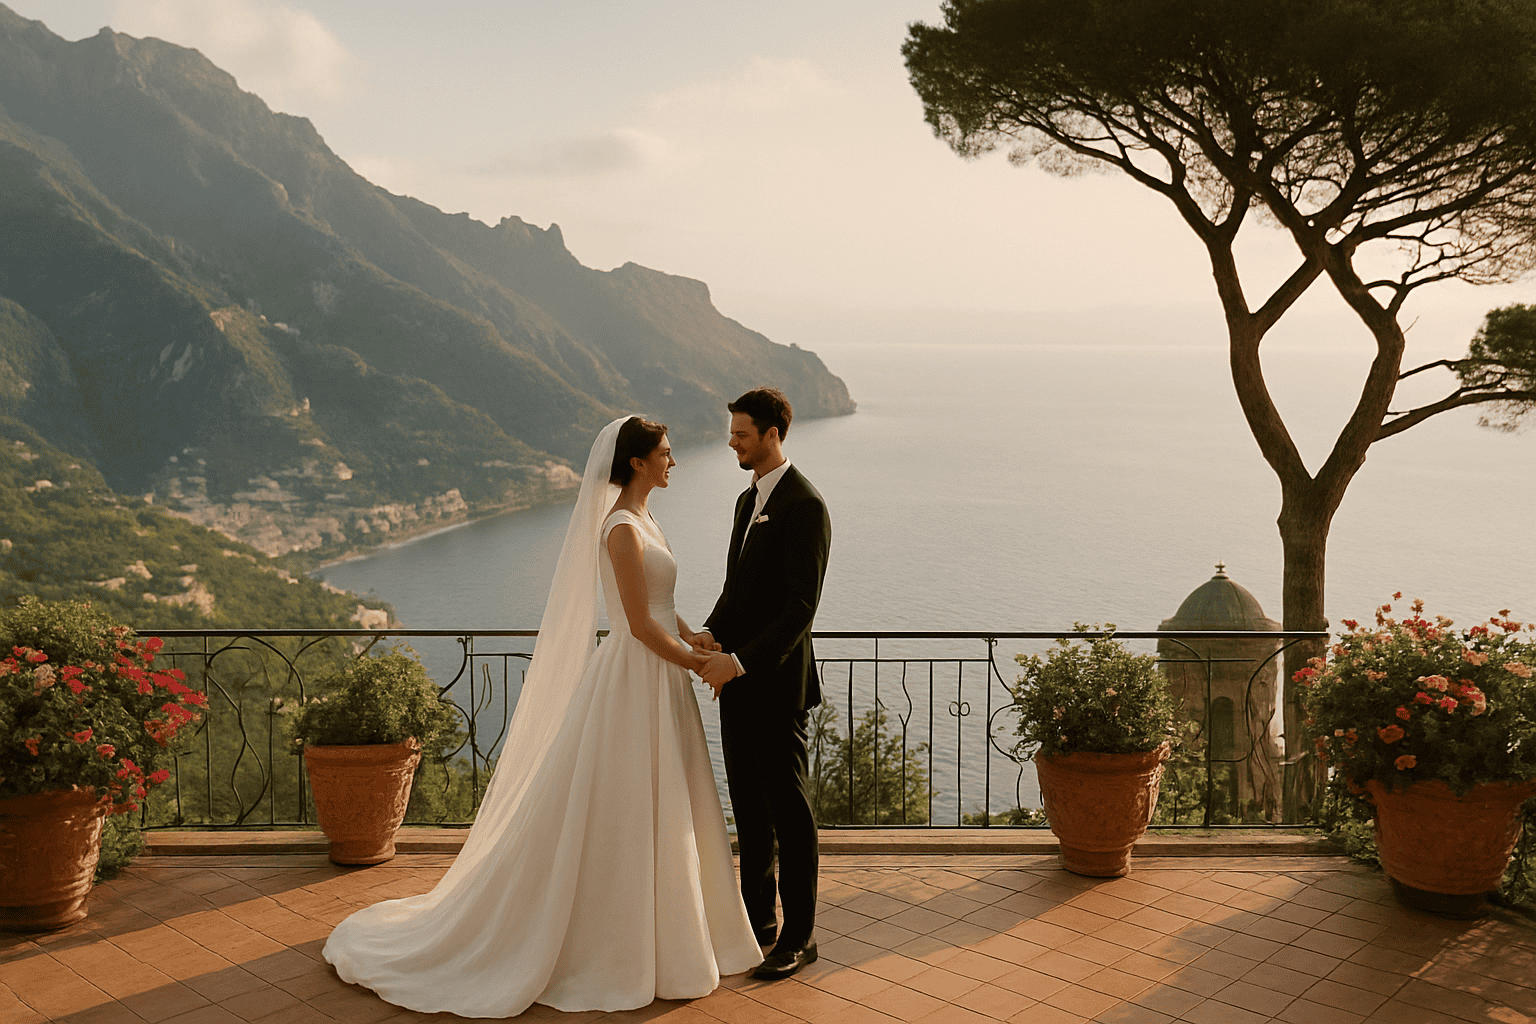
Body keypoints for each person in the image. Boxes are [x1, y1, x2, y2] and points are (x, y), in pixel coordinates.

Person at [322, 416, 762, 1018]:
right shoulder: (620, 528)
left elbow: (659, 603)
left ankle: (669, 936)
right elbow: (636, 624)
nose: (673, 461)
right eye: (664, 452)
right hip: (637, 677)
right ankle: (618, 939)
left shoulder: (645, 519)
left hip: (659, 675)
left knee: (661, 799)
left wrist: (695, 636)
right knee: (625, 803)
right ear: (636, 462)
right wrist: (696, 663)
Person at [694, 387, 832, 981]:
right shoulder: (746, 500)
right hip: (738, 685)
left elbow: (800, 608)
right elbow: (738, 591)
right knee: (749, 813)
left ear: (773, 434)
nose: (732, 443)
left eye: (741, 434)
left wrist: (741, 662)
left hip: (775, 688)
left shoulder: (806, 505)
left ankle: (801, 936)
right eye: (732, 433)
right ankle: (759, 925)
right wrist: (710, 634)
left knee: (790, 814)